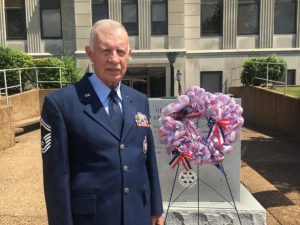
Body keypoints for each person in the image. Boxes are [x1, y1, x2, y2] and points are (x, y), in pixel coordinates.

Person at [41, 19, 164, 225]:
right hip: (92, 218)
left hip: (138, 214)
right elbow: (56, 179)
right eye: (106, 51)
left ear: (129, 54)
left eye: (121, 52)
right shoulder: (61, 105)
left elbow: (147, 159)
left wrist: (156, 209)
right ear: (90, 53)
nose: (114, 59)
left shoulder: (139, 100)